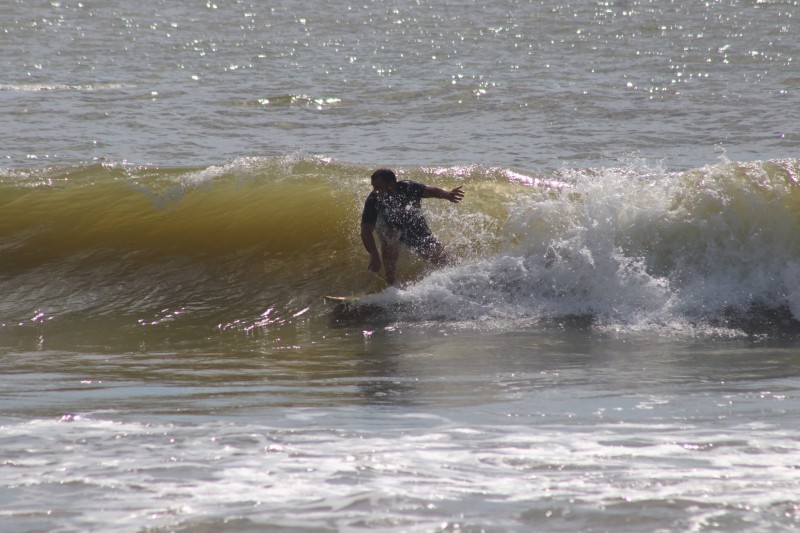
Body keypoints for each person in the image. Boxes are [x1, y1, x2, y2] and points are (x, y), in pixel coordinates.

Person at [360, 168, 464, 285]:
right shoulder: (373, 199)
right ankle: (391, 286)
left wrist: (448, 194)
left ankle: (463, 277)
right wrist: (374, 254)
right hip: (391, 228)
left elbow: (432, 191)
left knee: (444, 261)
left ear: (391, 184)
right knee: (389, 235)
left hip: (415, 227)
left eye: (378, 187)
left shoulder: (408, 187)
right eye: (373, 187)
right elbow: (365, 230)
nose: (375, 191)